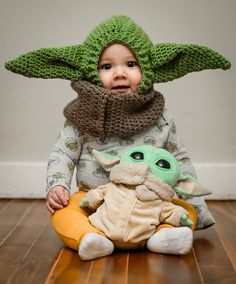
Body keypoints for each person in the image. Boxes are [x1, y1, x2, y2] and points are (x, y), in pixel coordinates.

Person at [5, 15, 230, 260]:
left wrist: (195, 203)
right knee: (64, 211)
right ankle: (89, 238)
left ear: (148, 68)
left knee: (183, 210)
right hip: (94, 203)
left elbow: (179, 159)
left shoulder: (161, 118)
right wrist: (57, 185)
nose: (120, 73)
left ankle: (165, 236)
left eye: (131, 64)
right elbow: (63, 153)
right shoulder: (81, 116)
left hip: (151, 205)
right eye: (107, 66)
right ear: (91, 71)